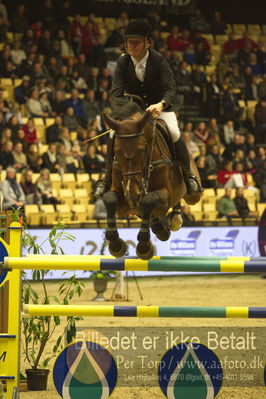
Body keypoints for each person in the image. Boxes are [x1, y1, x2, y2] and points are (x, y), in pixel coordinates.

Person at [94, 20, 202, 199]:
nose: (132, 46)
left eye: (136, 42)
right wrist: (127, 113)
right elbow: (116, 94)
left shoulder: (158, 60)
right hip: (133, 112)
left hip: (161, 109)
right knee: (113, 136)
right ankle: (106, 180)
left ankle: (189, 175)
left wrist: (161, 104)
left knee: (174, 132)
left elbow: (171, 89)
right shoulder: (122, 62)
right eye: (129, 42)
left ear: (147, 43)